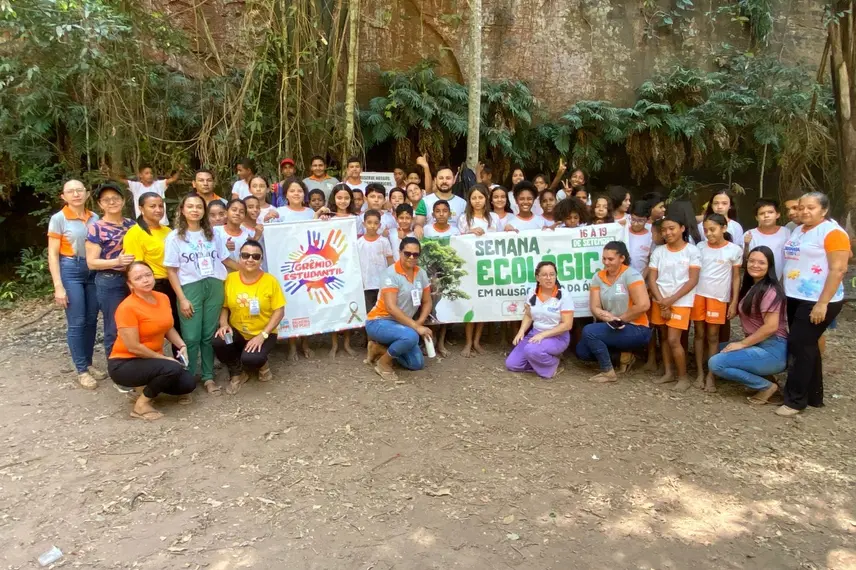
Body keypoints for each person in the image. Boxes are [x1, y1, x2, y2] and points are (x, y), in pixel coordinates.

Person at [777, 192, 848, 417]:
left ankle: (795, 401)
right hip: (796, 296)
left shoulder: (833, 232)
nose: (804, 211)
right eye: (801, 207)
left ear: (824, 210)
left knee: (799, 345)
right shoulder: (798, 230)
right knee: (807, 346)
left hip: (818, 299)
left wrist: (822, 303)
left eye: (811, 208)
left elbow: (839, 269)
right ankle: (813, 396)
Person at [165, 193, 238, 395]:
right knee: (190, 336)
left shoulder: (213, 234)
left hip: (214, 285)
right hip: (190, 288)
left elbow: (225, 260)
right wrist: (182, 299)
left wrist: (248, 270)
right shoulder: (175, 237)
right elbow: (171, 270)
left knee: (208, 335)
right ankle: (186, 378)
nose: (195, 210)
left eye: (199, 206)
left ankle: (207, 377)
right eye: (190, 206)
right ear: (182, 210)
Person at [108, 261, 195, 420]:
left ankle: (143, 387)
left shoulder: (162, 298)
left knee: (188, 383)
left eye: (148, 275)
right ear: (130, 284)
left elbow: (167, 327)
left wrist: (181, 345)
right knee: (171, 367)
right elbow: (133, 347)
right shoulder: (127, 307)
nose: (146, 280)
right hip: (124, 363)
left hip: (150, 360)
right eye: (139, 278)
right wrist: (164, 359)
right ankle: (141, 405)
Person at [705, 246, 788, 404]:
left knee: (716, 363)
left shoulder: (770, 291)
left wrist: (742, 344)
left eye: (761, 263)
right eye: (752, 261)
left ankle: (765, 386)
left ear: (769, 266)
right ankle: (764, 376)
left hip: (772, 349)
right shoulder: (752, 286)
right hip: (759, 345)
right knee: (712, 350)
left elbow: (771, 327)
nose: (755, 265)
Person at [48, 179, 103, 389]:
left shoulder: (94, 217)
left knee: (91, 320)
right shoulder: (59, 218)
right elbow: (52, 254)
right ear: (63, 196)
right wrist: (58, 285)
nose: (76, 194)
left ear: (87, 194)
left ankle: (88, 363)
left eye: (79, 190)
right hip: (70, 268)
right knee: (77, 320)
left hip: (92, 269)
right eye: (70, 191)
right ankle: (81, 370)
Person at [212, 240, 285, 394]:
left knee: (252, 359)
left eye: (255, 256)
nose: (250, 259)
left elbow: (279, 311)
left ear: (261, 260)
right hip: (237, 332)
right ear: (239, 257)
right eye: (245, 255)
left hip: (264, 333)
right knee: (220, 341)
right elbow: (224, 306)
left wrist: (262, 335)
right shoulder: (230, 279)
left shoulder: (270, 281)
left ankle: (263, 365)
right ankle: (237, 373)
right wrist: (224, 324)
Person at [576, 241, 652, 382]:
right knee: (582, 351)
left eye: (610, 259)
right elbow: (595, 307)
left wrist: (620, 319)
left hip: (636, 327)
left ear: (622, 258)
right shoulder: (598, 277)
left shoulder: (631, 274)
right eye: (604, 258)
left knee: (589, 331)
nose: (606, 262)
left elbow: (643, 305)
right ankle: (623, 356)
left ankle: (608, 371)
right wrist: (609, 318)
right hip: (612, 325)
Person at [364, 237, 433, 380]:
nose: (412, 257)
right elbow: (390, 307)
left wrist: (418, 323)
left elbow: (427, 302)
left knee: (416, 364)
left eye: (416, 254)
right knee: (411, 336)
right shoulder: (390, 273)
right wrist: (415, 327)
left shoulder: (421, 273)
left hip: (403, 324)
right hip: (379, 321)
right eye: (407, 253)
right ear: (400, 252)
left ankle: (378, 349)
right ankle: (383, 364)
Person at [647, 215, 701, 391]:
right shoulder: (659, 252)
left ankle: (683, 377)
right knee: (663, 337)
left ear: (682, 228)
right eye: (664, 230)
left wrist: (669, 301)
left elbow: (692, 280)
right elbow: (652, 279)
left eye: (671, 228)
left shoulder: (692, 251)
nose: (667, 232)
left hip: (681, 301)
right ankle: (669, 372)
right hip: (660, 299)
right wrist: (662, 301)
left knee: (673, 339)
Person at [123, 193, 181, 352]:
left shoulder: (168, 231)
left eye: (160, 206)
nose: (158, 210)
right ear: (141, 208)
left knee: (176, 325)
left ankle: (182, 364)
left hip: (173, 283)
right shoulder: (135, 234)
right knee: (151, 328)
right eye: (152, 206)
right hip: (152, 286)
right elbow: (135, 269)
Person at [692, 214, 743, 392]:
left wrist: (734, 301)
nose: (708, 234)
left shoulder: (734, 250)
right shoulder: (699, 247)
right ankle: (699, 372)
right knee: (698, 334)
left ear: (724, 228)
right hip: (698, 295)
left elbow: (736, 278)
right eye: (705, 230)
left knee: (713, 336)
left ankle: (711, 375)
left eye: (712, 229)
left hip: (719, 298)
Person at [85, 182, 136, 358]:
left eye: (115, 198)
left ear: (123, 201)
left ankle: (136, 364)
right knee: (114, 326)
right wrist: (117, 261)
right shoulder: (96, 227)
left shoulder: (132, 224)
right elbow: (91, 263)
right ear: (100, 204)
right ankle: (117, 368)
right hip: (109, 280)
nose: (112, 202)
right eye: (106, 200)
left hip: (133, 280)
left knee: (135, 323)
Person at [505, 260, 574, 380]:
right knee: (512, 364)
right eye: (544, 275)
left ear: (556, 276)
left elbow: (567, 325)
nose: (549, 278)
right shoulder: (533, 293)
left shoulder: (563, 295)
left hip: (557, 336)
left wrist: (543, 335)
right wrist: (521, 331)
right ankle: (540, 362)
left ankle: (552, 365)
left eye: (552, 274)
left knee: (531, 349)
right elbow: (528, 315)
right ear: (538, 278)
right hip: (535, 333)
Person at [458, 184, 500, 357]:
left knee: (483, 305)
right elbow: (458, 241)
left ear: (486, 199)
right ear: (469, 200)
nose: (477, 201)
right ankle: (467, 342)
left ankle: (477, 341)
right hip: (469, 267)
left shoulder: (494, 218)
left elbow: (499, 240)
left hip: (487, 267)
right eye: (474, 198)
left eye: (480, 197)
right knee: (470, 304)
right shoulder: (463, 219)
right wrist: (469, 232)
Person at [357, 210, 394, 313]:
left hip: (382, 285)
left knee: (383, 312)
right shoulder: (358, 243)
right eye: (369, 222)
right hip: (366, 285)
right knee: (369, 313)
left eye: (376, 223)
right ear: (364, 224)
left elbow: (390, 261)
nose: (372, 226)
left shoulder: (384, 241)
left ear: (380, 225)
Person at [744, 199, 789, 280]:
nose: (766, 216)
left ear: (778, 214)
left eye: (770, 212)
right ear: (756, 217)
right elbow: (746, 260)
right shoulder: (750, 234)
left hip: (782, 279)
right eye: (762, 213)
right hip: (756, 279)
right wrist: (746, 244)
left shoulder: (786, 232)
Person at [413, 166, 467, 231]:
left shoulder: (463, 203)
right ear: (435, 180)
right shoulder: (425, 201)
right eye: (441, 178)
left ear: (454, 180)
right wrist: (418, 227)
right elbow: (419, 222)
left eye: (448, 178)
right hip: (431, 240)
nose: (444, 181)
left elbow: (466, 227)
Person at [215, 199, 254, 263]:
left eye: (241, 212)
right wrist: (224, 248)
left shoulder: (247, 237)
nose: (237, 213)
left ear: (244, 216)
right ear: (226, 213)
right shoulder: (216, 231)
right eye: (234, 210)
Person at [627, 202, 653, 275]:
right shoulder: (623, 232)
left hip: (640, 277)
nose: (635, 224)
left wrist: (642, 279)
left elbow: (651, 261)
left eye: (640, 221)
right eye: (633, 219)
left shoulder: (651, 236)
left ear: (648, 220)